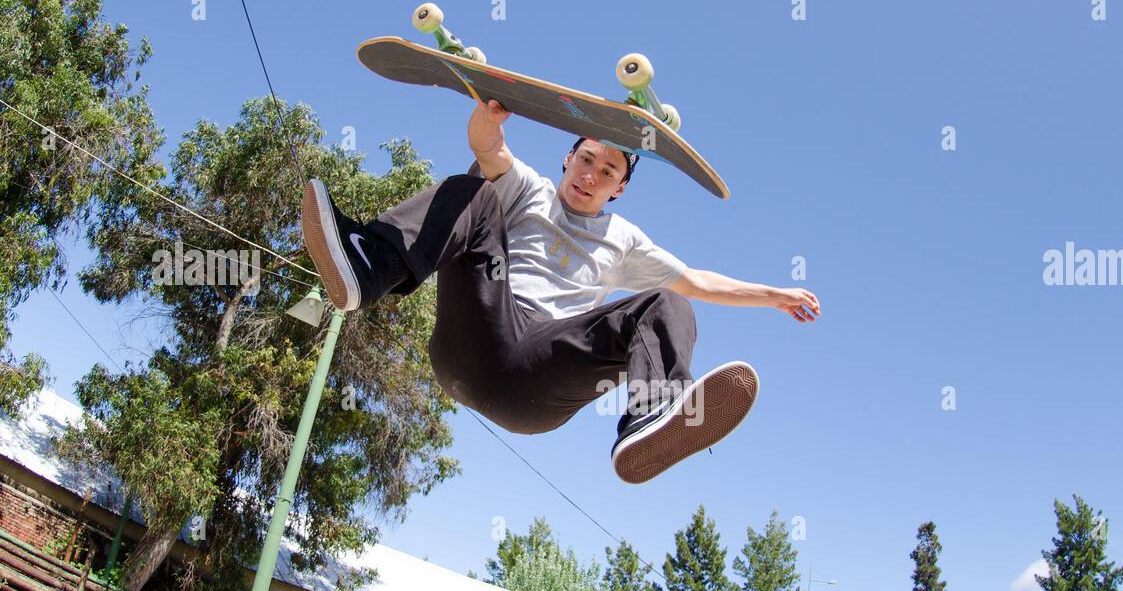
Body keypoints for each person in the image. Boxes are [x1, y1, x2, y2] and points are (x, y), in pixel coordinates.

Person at [300, 99, 821, 483]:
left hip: (542, 376)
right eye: (587, 160)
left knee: (669, 304)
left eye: (608, 172)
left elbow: (701, 282)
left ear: (619, 188)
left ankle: (654, 412)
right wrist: (487, 115)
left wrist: (775, 294)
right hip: (481, 332)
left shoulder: (624, 239)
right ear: (567, 159)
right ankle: (368, 265)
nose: (592, 176)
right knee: (472, 191)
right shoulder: (526, 187)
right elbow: (488, 147)